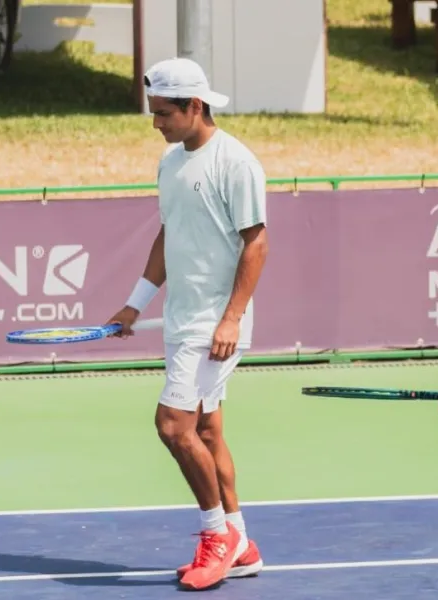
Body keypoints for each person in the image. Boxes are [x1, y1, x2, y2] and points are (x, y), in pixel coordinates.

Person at [107, 57, 269, 591]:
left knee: (172, 426)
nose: (157, 123)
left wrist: (231, 318)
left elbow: (257, 244)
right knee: (205, 429)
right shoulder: (170, 161)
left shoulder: (236, 163)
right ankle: (241, 541)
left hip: (214, 326)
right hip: (181, 319)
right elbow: (167, 236)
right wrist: (136, 303)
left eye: (163, 113)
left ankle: (214, 537)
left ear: (195, 106)